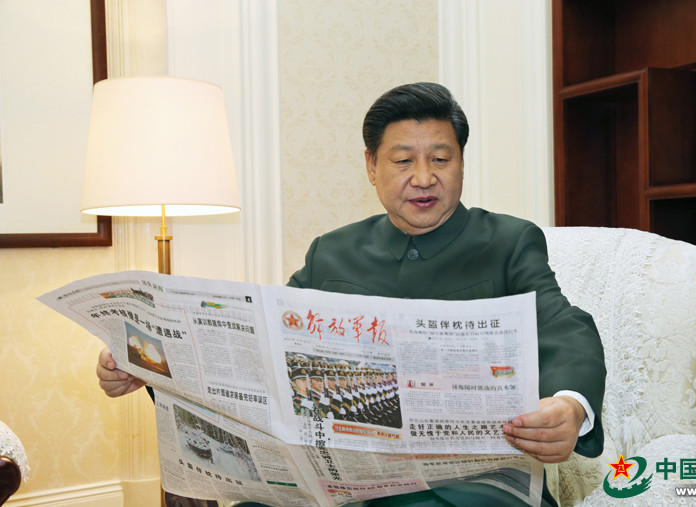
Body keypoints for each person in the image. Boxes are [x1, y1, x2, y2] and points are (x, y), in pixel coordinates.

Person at [97, 82, 605, 506]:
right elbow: (260, 348)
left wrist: (570, 405)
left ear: (462, 164)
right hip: (345, 486)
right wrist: (147, 361)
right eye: (403, 160)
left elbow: (564, 325)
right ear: (371, 166)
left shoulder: (508, 242)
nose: (423, 178)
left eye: (440, 159)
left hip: (469, 488)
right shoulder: (331, 253)